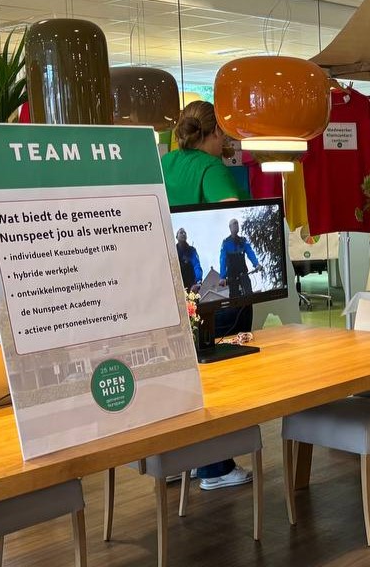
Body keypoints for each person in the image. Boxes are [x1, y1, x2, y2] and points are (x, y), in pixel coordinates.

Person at [161, 101, 253, 491]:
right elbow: (232, 214)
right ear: (215, 132)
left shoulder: (165, 163)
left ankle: (175, 461)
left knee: (181, 374)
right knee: (220, 372)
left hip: (169, 287)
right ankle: (215, 468)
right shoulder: (212, 168)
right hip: (212, 297)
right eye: (224, 132)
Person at [218, 218, 260, 298]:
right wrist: (222, 277)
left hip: (243, 273)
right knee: (234, 297)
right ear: (230, 227)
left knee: (249, 294)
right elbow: (222, 259)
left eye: (237, 224)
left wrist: (256, 264)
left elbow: (250, 252)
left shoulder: (243, 240)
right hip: (232, 276)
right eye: (234, 224)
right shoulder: (226, 242)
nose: (236, 226)